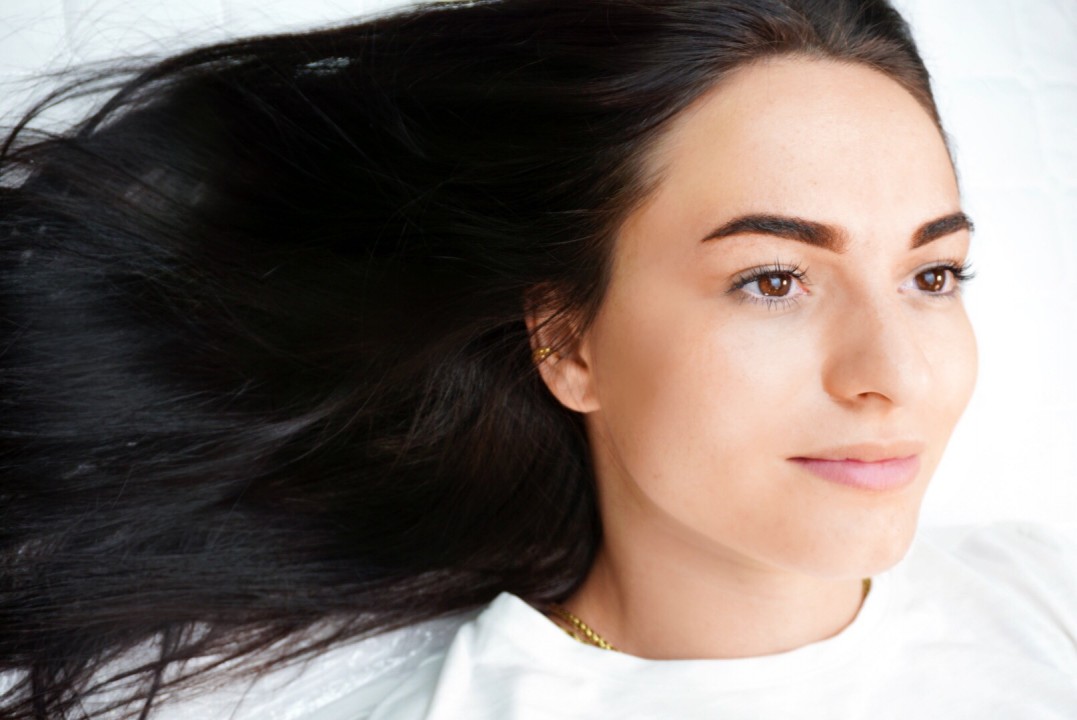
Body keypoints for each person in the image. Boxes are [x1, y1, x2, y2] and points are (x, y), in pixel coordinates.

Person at [0, 0, 1074, 718]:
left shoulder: (1044, 592)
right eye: (773, 281)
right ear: (568, 342)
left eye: (933, 275)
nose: (894, 374)